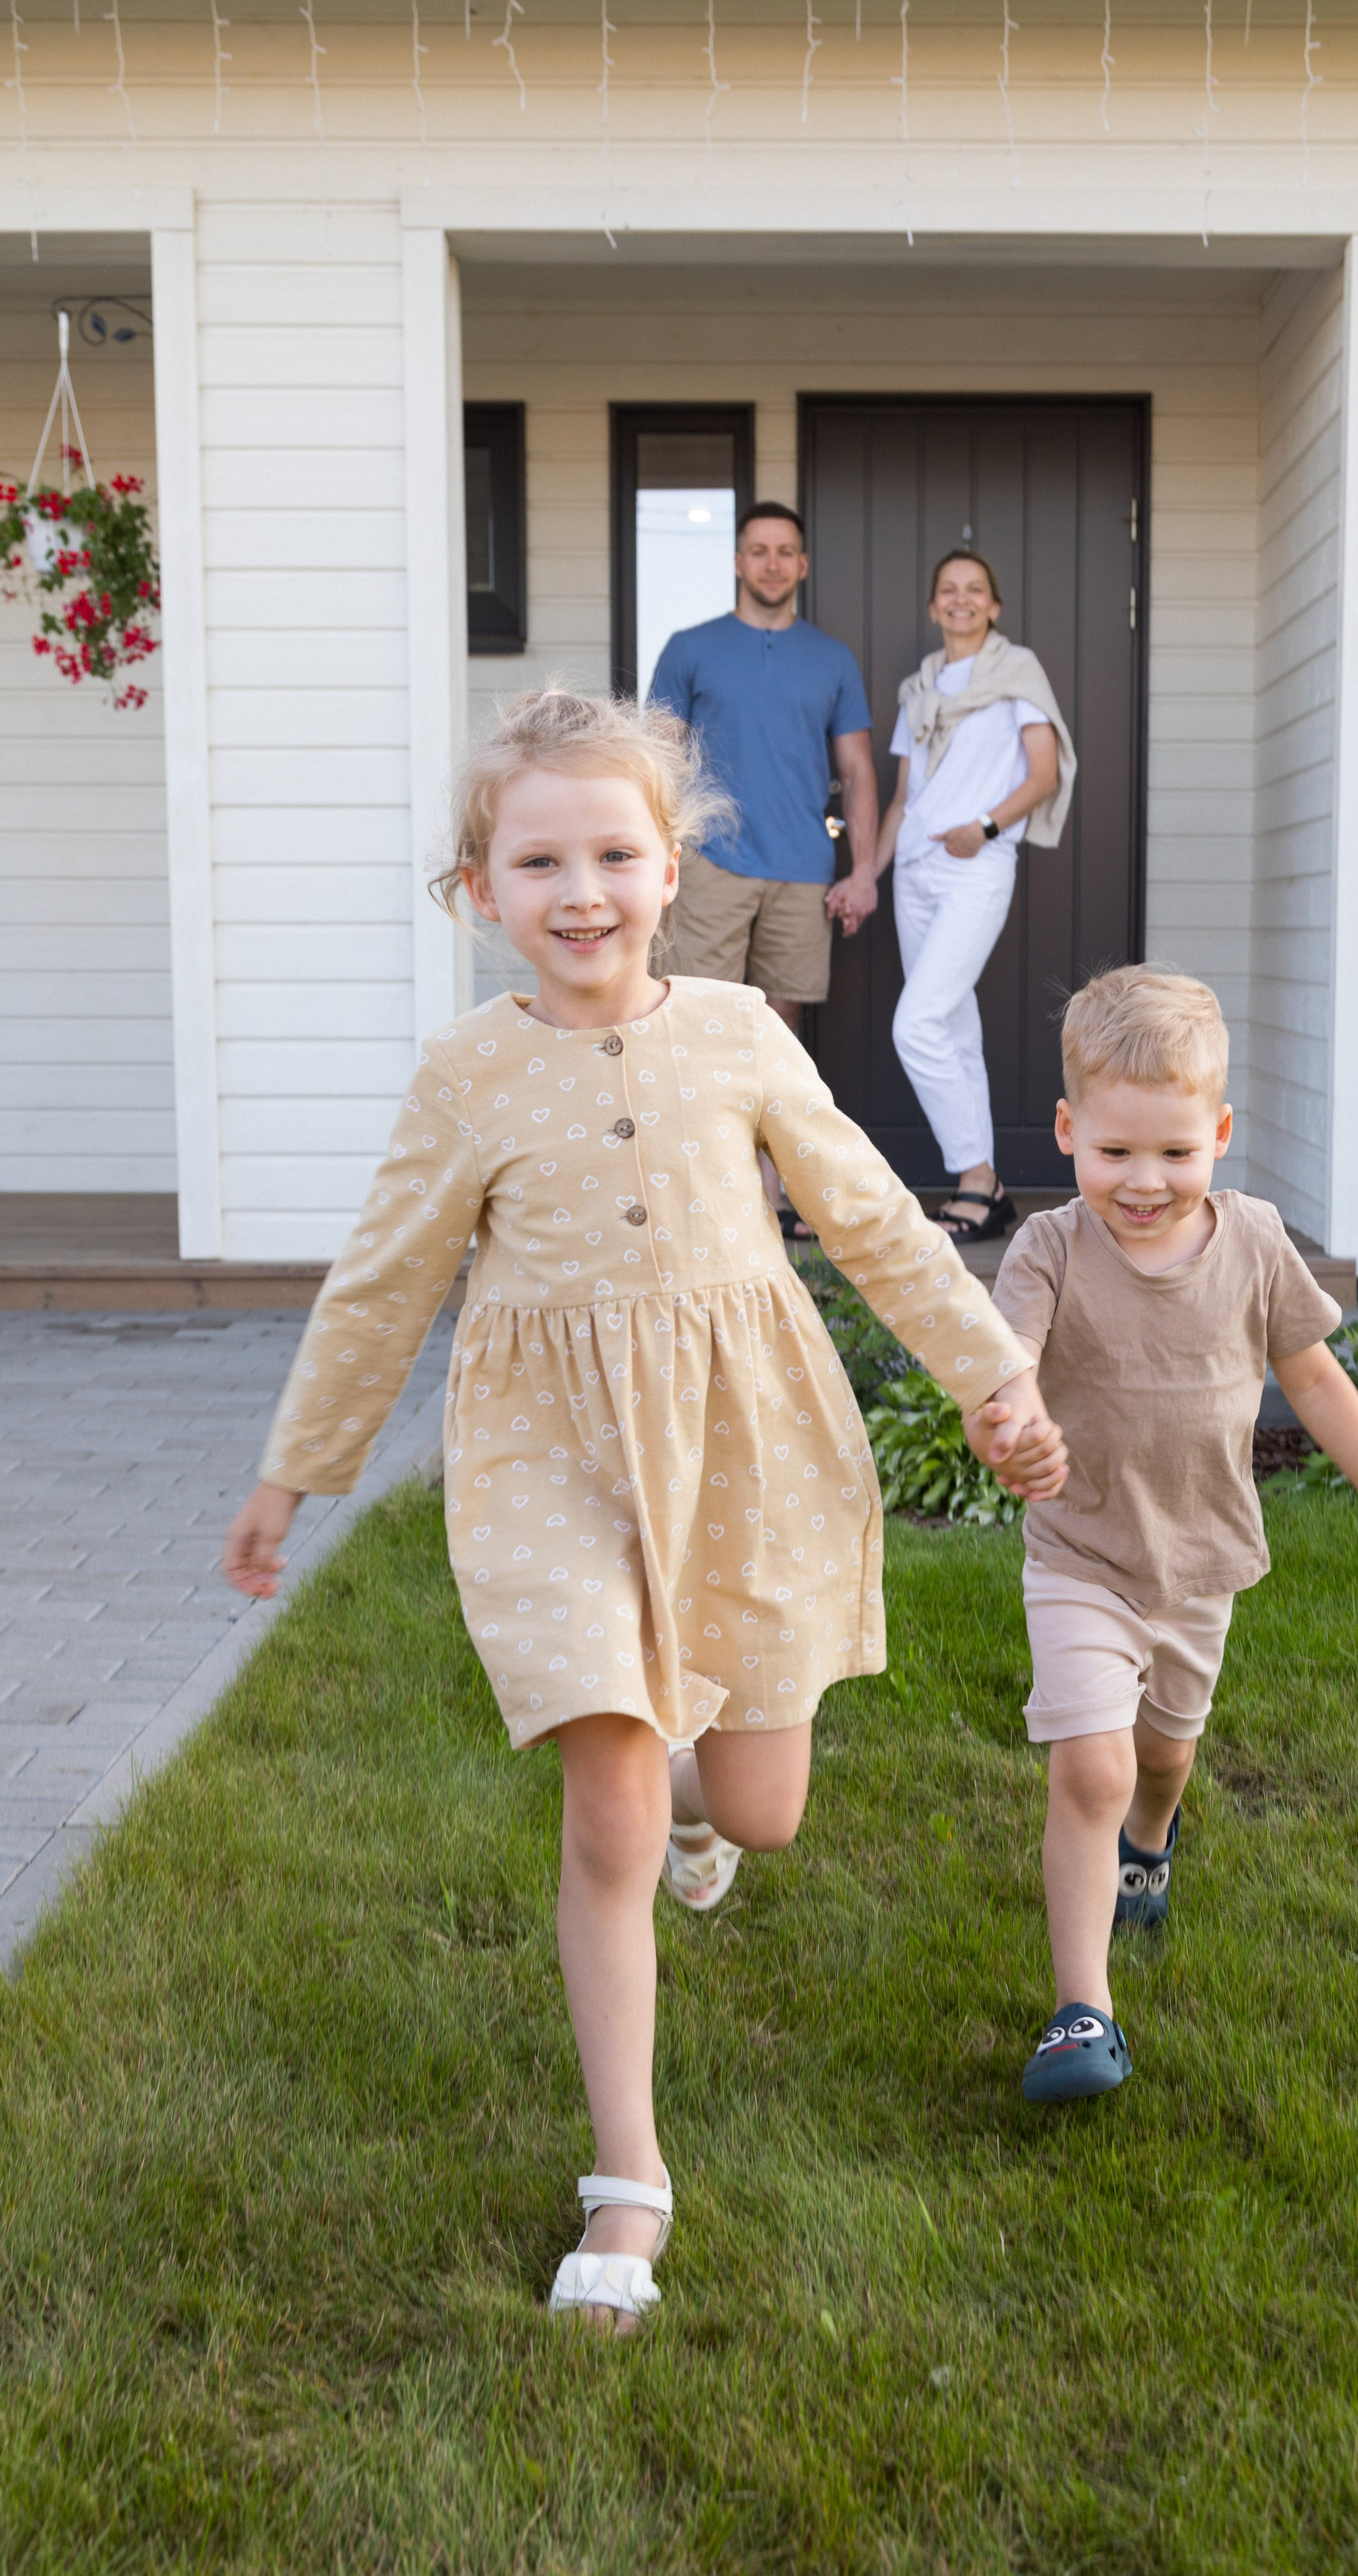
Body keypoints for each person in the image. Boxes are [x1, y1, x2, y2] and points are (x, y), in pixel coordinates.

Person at [221, 688, 1067, 2334]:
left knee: (760, 1810)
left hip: (743, 1440)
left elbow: (873, 1220)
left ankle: (693, 1795)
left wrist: (991, 1376)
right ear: (480, 888)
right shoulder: (465, 1075)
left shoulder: (740, 1033)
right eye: (539, 861)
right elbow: (383, 1283)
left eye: (615, 853)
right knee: (599, 1806)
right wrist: (292, 1471)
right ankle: (628, 2176)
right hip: (548, 1460)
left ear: (670, 866)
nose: (582, 890)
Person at [990, 965, 1358, 2106]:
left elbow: (1316, 1379)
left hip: (1199, 1563)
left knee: (1162, 1758)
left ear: (1221, 1136)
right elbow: (1003, 1370)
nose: (1145, 1181)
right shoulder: (1048, 1250)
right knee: (1090, 1768)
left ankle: (1152, 1841)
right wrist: (1013, 1426)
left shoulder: (1254, 1244)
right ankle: (1082, 2010)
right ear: (1068, 1131)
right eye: (1115, 1151)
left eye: (1176, 1153)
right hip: (1082, 1553)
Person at [828, 549, 1076, 1244]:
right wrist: (865, 876)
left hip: (976, 866)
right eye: (948, 590)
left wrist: (986, 827)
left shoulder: (1016, 673)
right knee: (952, 1028)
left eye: (974, 590)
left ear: (993, 606)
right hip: (914, 870)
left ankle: (974, 1177)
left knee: (917, 1024)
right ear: (934, 606)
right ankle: (988, 1188)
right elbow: (904, 799)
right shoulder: (921, 689)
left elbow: (1044, 774)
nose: (961, 600)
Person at [649, 498, 877, 1057]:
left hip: (802, 864)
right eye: (758, 552)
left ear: (802, 564)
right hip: (708, 859)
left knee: (782, 1019)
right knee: (697, 1009)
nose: (772, 564)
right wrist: (653, 857)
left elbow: (857, 771)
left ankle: (761, 1118)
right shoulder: (689, 649)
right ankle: (703, 1116)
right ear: (738, 562)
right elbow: (656, 760)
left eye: (784, 553)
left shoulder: (833, 659)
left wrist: (864, 871)